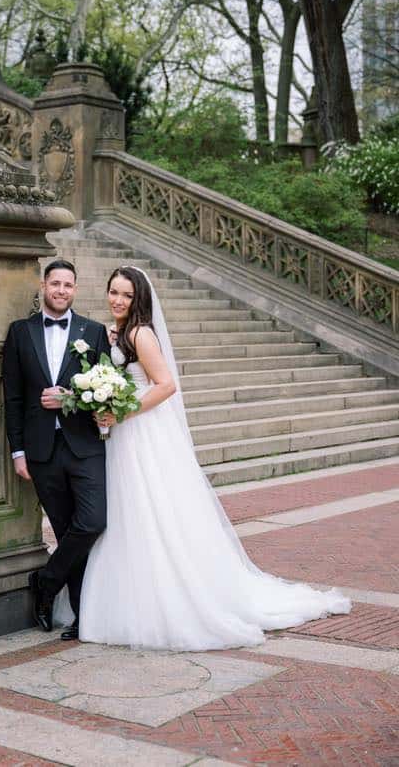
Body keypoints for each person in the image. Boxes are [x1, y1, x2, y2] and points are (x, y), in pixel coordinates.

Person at [80, 266, 351, 650]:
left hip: (142, 432)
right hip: (124, 437)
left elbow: (167, 385)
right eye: (113, 292)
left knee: (149, 509)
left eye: (126, 294)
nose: (118, 300)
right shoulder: (119, 333)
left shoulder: (141, 334)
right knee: (129, 512)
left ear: (139, 298)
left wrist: (122, 412)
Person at [2, 259, 110, 641]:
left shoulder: (93, 332)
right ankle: (83, 616)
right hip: (41, 451)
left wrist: (71, 400)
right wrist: (18, 452)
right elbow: (12, 397)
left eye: (68, 285)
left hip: (84, 446)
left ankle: (46, 582)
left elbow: (106, 390)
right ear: (43, 286)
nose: (61, 290)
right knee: (66, 533)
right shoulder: (20, 332)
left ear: (75, 290)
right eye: (55, 283)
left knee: (93, 522)